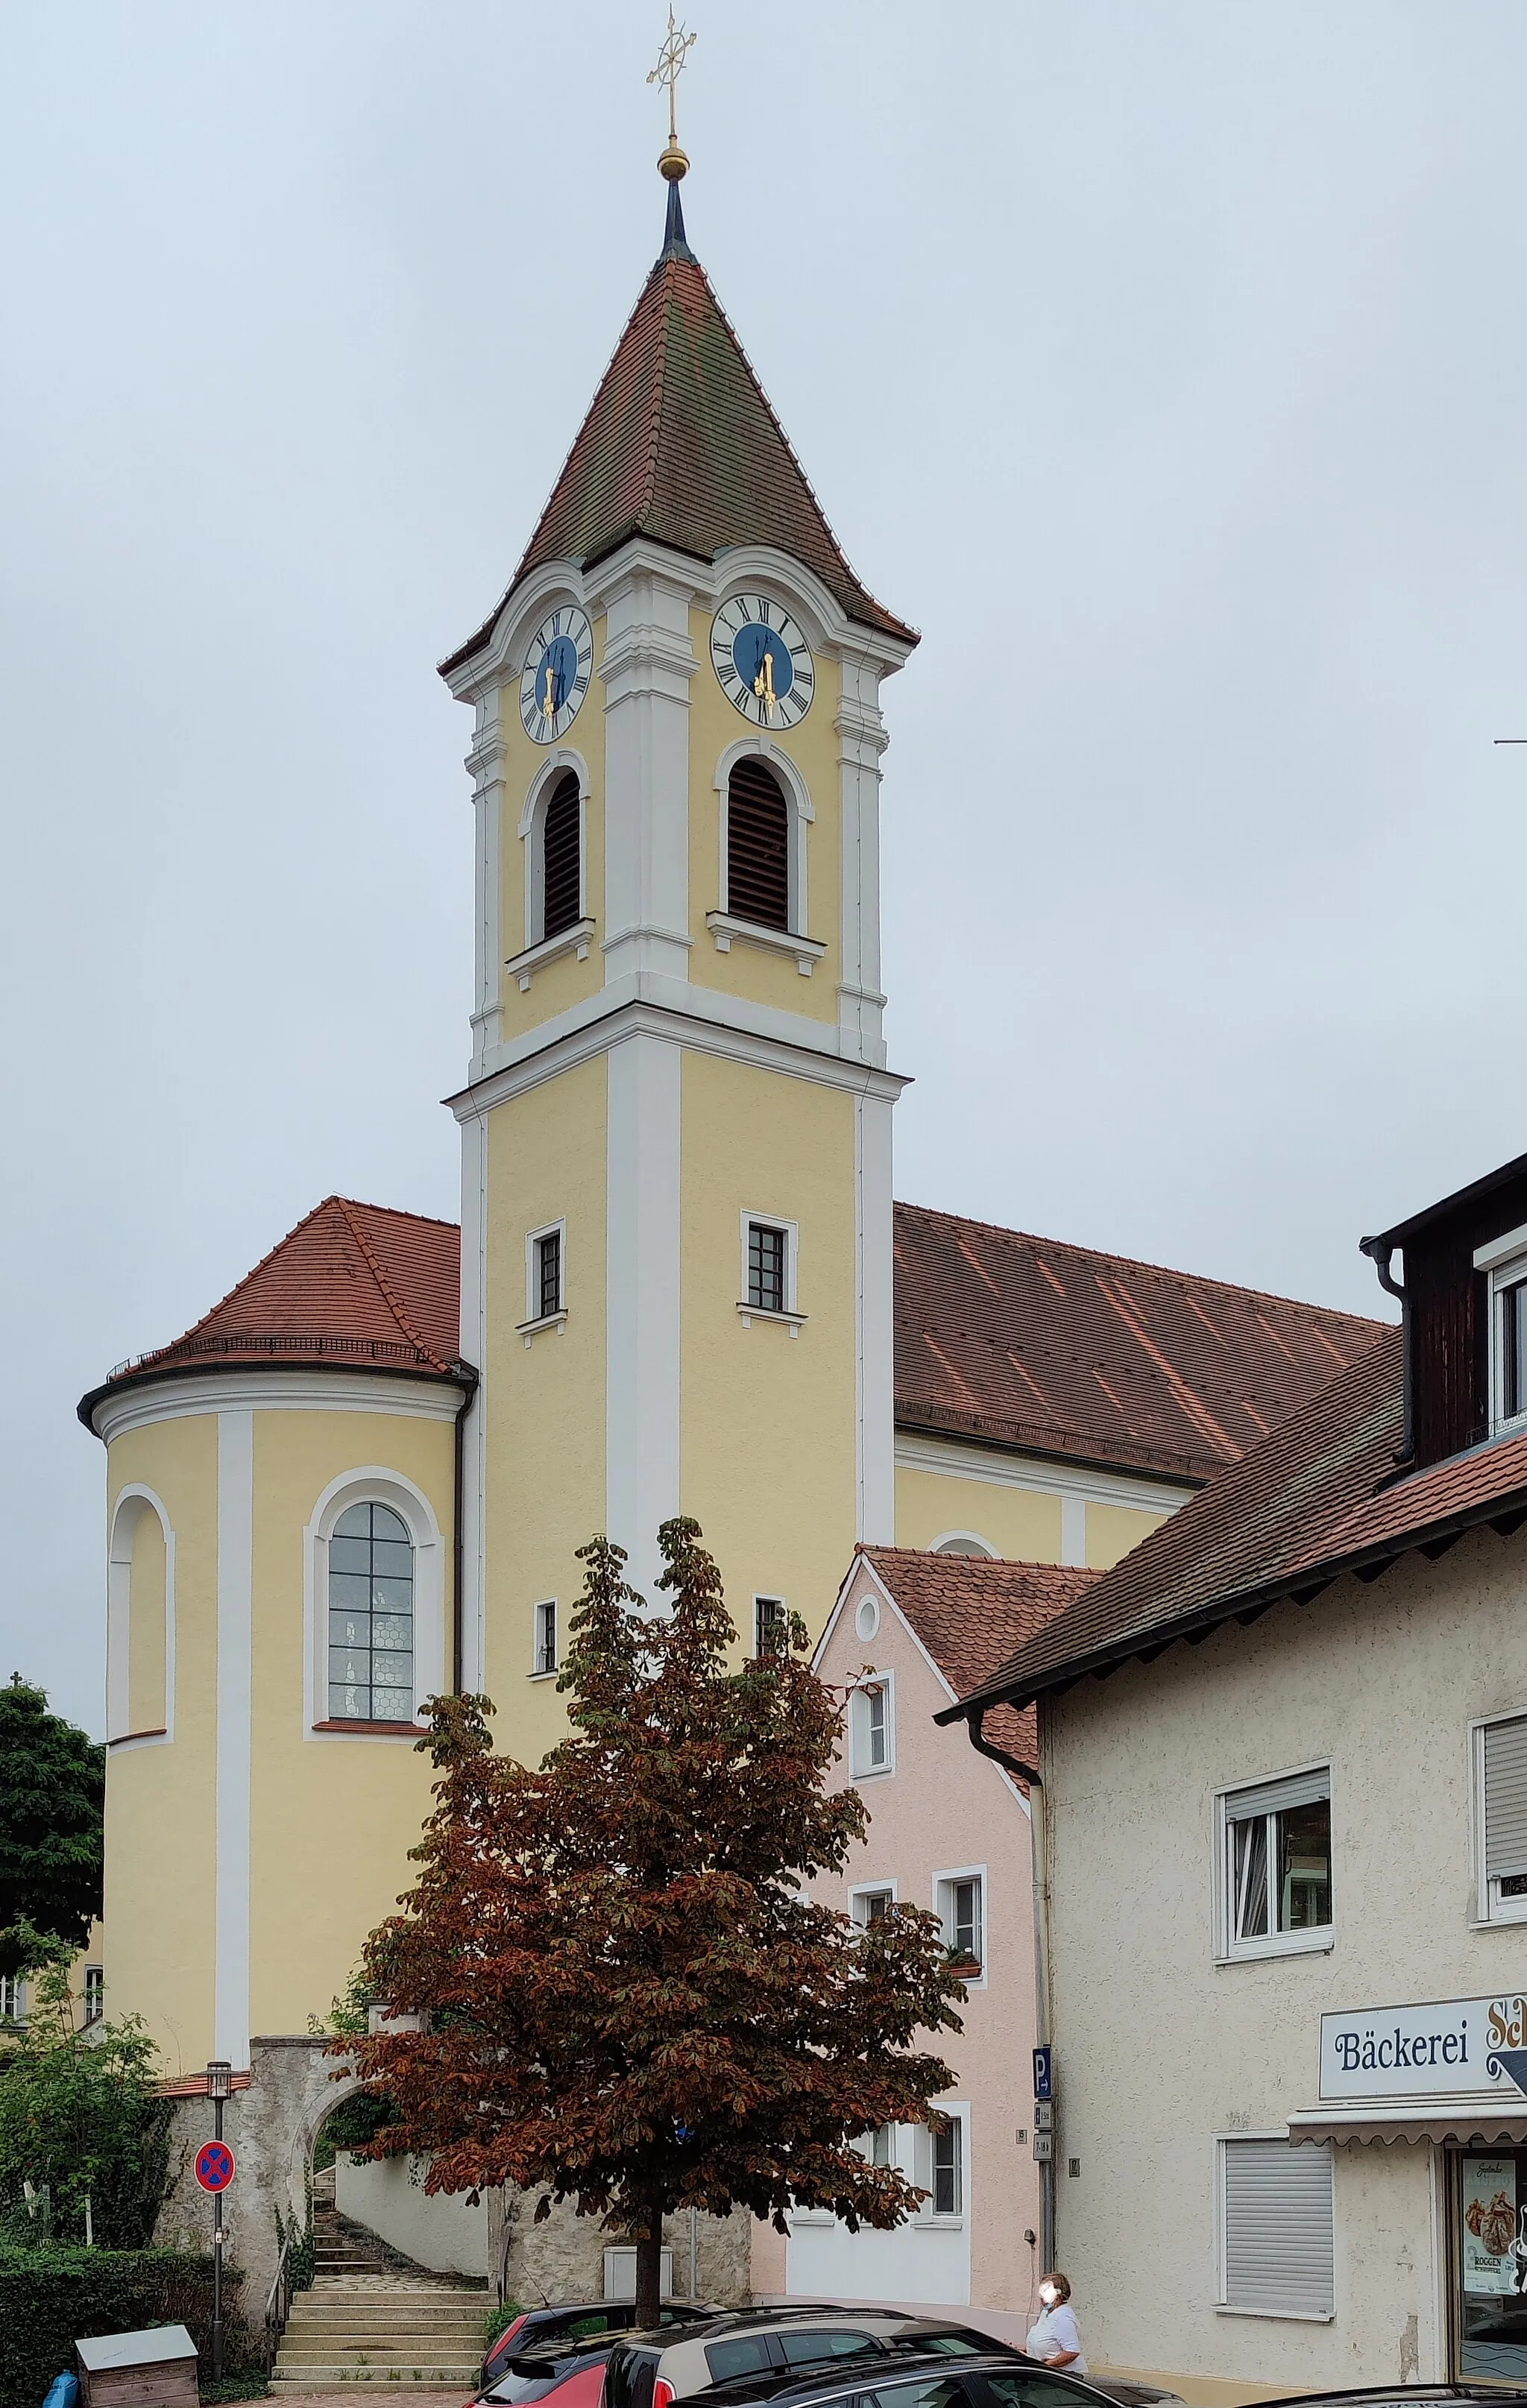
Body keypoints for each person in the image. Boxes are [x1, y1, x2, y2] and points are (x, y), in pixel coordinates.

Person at [1026, 2270, 1087, 2374]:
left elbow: (1072, 2352)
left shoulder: (1063, 2317)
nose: (1041, 2299)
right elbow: (1044, 2342)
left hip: (1066, 2375)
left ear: (1058, 2295)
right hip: (1046, 2372)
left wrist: (1047, 2365)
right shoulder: (1046, 2312)